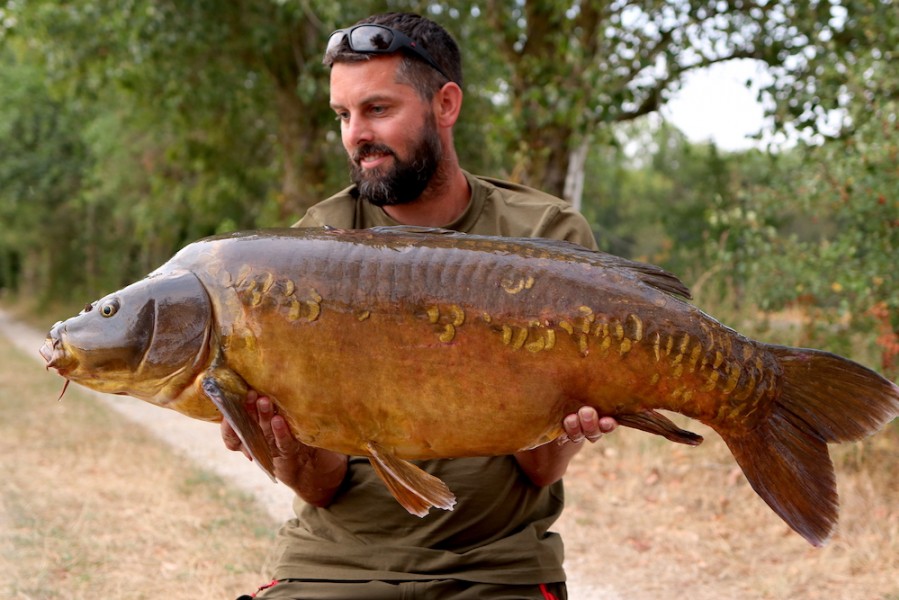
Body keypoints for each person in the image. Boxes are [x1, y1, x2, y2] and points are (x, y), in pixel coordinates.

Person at [225, 12, 617, 600]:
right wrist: (281, 441)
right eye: (343, 115)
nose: (356, 134)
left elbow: (539, 472)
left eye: (378, 109)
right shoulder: (310, 247)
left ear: (446, 104)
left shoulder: (544, 235)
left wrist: (569, 419)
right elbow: (322, 486)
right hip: (334, 566)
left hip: (495, 567)